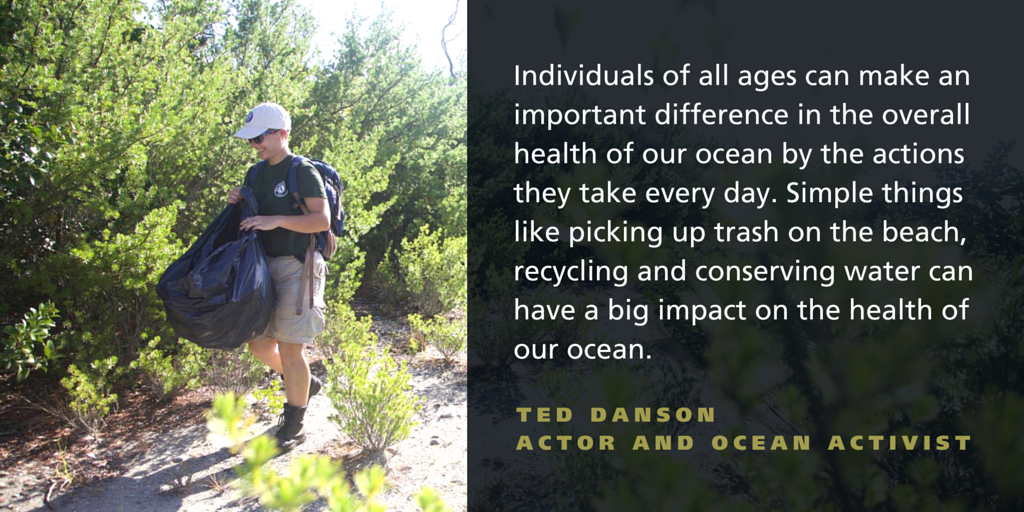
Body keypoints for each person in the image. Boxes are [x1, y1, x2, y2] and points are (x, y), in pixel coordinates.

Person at [227, 102, 329, 452]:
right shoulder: (254, 174)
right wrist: (237, 201)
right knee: (258, 346)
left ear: (282, 134)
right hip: (262, 269)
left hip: (297, 268)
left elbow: (321, 221)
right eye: (250, 139)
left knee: (290, 348)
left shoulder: (302, 171)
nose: (255, 144)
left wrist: (276, 221)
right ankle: (305, 384)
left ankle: (294, 425)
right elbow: (250, 217)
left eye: (260, 137)